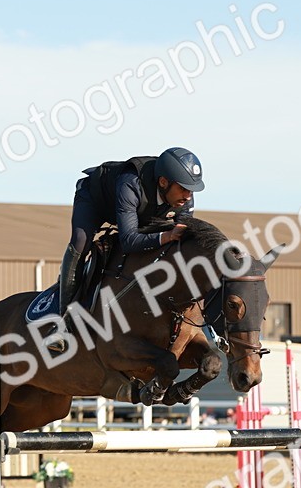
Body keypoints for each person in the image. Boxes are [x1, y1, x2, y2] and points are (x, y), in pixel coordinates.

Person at [45, 147, 205, 352]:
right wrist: (165, 236)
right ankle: (63, 323)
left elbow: (181, 237)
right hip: (96, 200)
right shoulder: (131, 182)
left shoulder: (184, 196)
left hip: (137, 210)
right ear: (164, 182)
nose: (188, 195)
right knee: (80, 242)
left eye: (191, 189)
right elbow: (129, 240)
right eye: (183, 188)